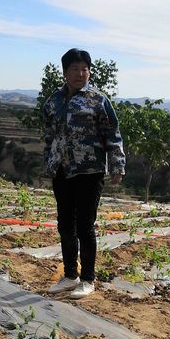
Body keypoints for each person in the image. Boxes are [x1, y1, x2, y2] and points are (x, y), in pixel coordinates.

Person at [42, 48, 125, 298]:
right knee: (65, 225)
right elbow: (48, 136)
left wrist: (117, 164)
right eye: (75, 69)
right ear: (65, 72)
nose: (80, 73)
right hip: (63, 171)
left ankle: (88, 279)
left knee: (85, 226)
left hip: (90, 171)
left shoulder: (98, 100)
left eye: (84, 69)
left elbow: (112, 133)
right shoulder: (52, 102)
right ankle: (69, 276)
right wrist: (50, 161)